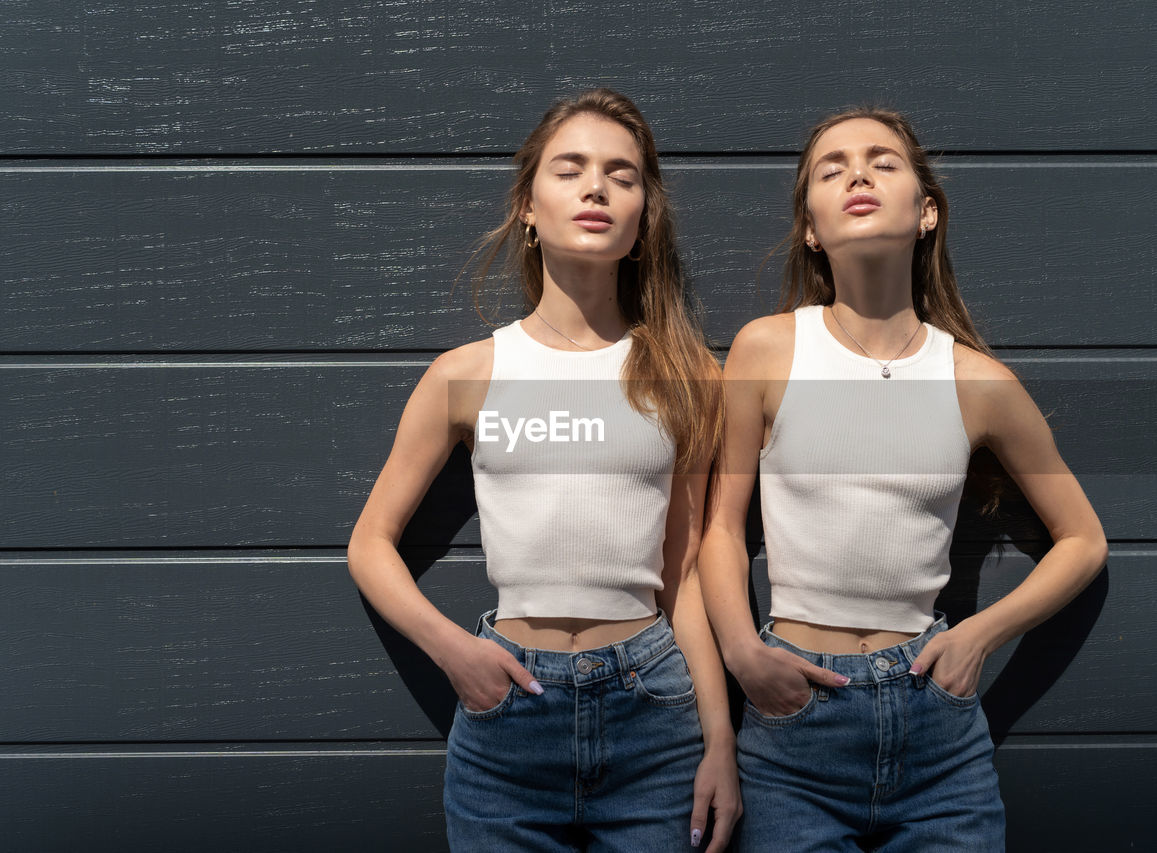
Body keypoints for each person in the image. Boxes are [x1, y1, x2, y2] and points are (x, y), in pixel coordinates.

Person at [698, 107, 1108, 851]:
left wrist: (982, 634)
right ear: (811, 229)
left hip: (936, 731)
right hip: (796, 728)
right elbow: (721, 527)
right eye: (832, 167)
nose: (858, 173)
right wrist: (741, 652)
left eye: (883, 161)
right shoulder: (770, 349)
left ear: (926, 212)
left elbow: (1083, 539)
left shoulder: (975, 380)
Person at [346, 89, 740, 851]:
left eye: (622, 175)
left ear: (641, 217)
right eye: (572, 169)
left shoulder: (689, 376)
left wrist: (720, 739)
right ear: (528, 204)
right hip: (510, 722)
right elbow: (370, 542)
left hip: (653, 715)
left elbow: (683, 574)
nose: (597, 187)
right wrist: (456, 651)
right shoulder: (469, 374)